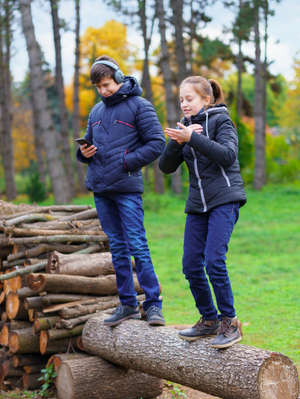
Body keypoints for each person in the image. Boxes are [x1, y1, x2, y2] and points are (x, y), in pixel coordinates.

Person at [77, 55, 165, 327]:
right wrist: (83, 153)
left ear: (118, 77)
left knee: (138, 245)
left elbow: (157, 143)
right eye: (99, 87)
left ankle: (153, 305)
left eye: (106, 84)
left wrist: (127, 162)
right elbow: (87, 146)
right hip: (101, 189)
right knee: (117, 247)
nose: (103, 91)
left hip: (127, 188)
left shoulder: (140, 106)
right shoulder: (96, 112)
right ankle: (127, 304)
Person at [159, 76, 246, 348]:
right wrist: (178, 141)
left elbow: (228, 155)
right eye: (181, 99)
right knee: (190, 265)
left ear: (206, 99)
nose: (184, 104)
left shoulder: (222, 121)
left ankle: (229, 322)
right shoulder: (185, 127)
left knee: (213, 261)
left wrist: (193, 139)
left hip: (225, 199)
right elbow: (165, 167)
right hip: (198, 204)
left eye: (189, 99)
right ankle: (208, 319)